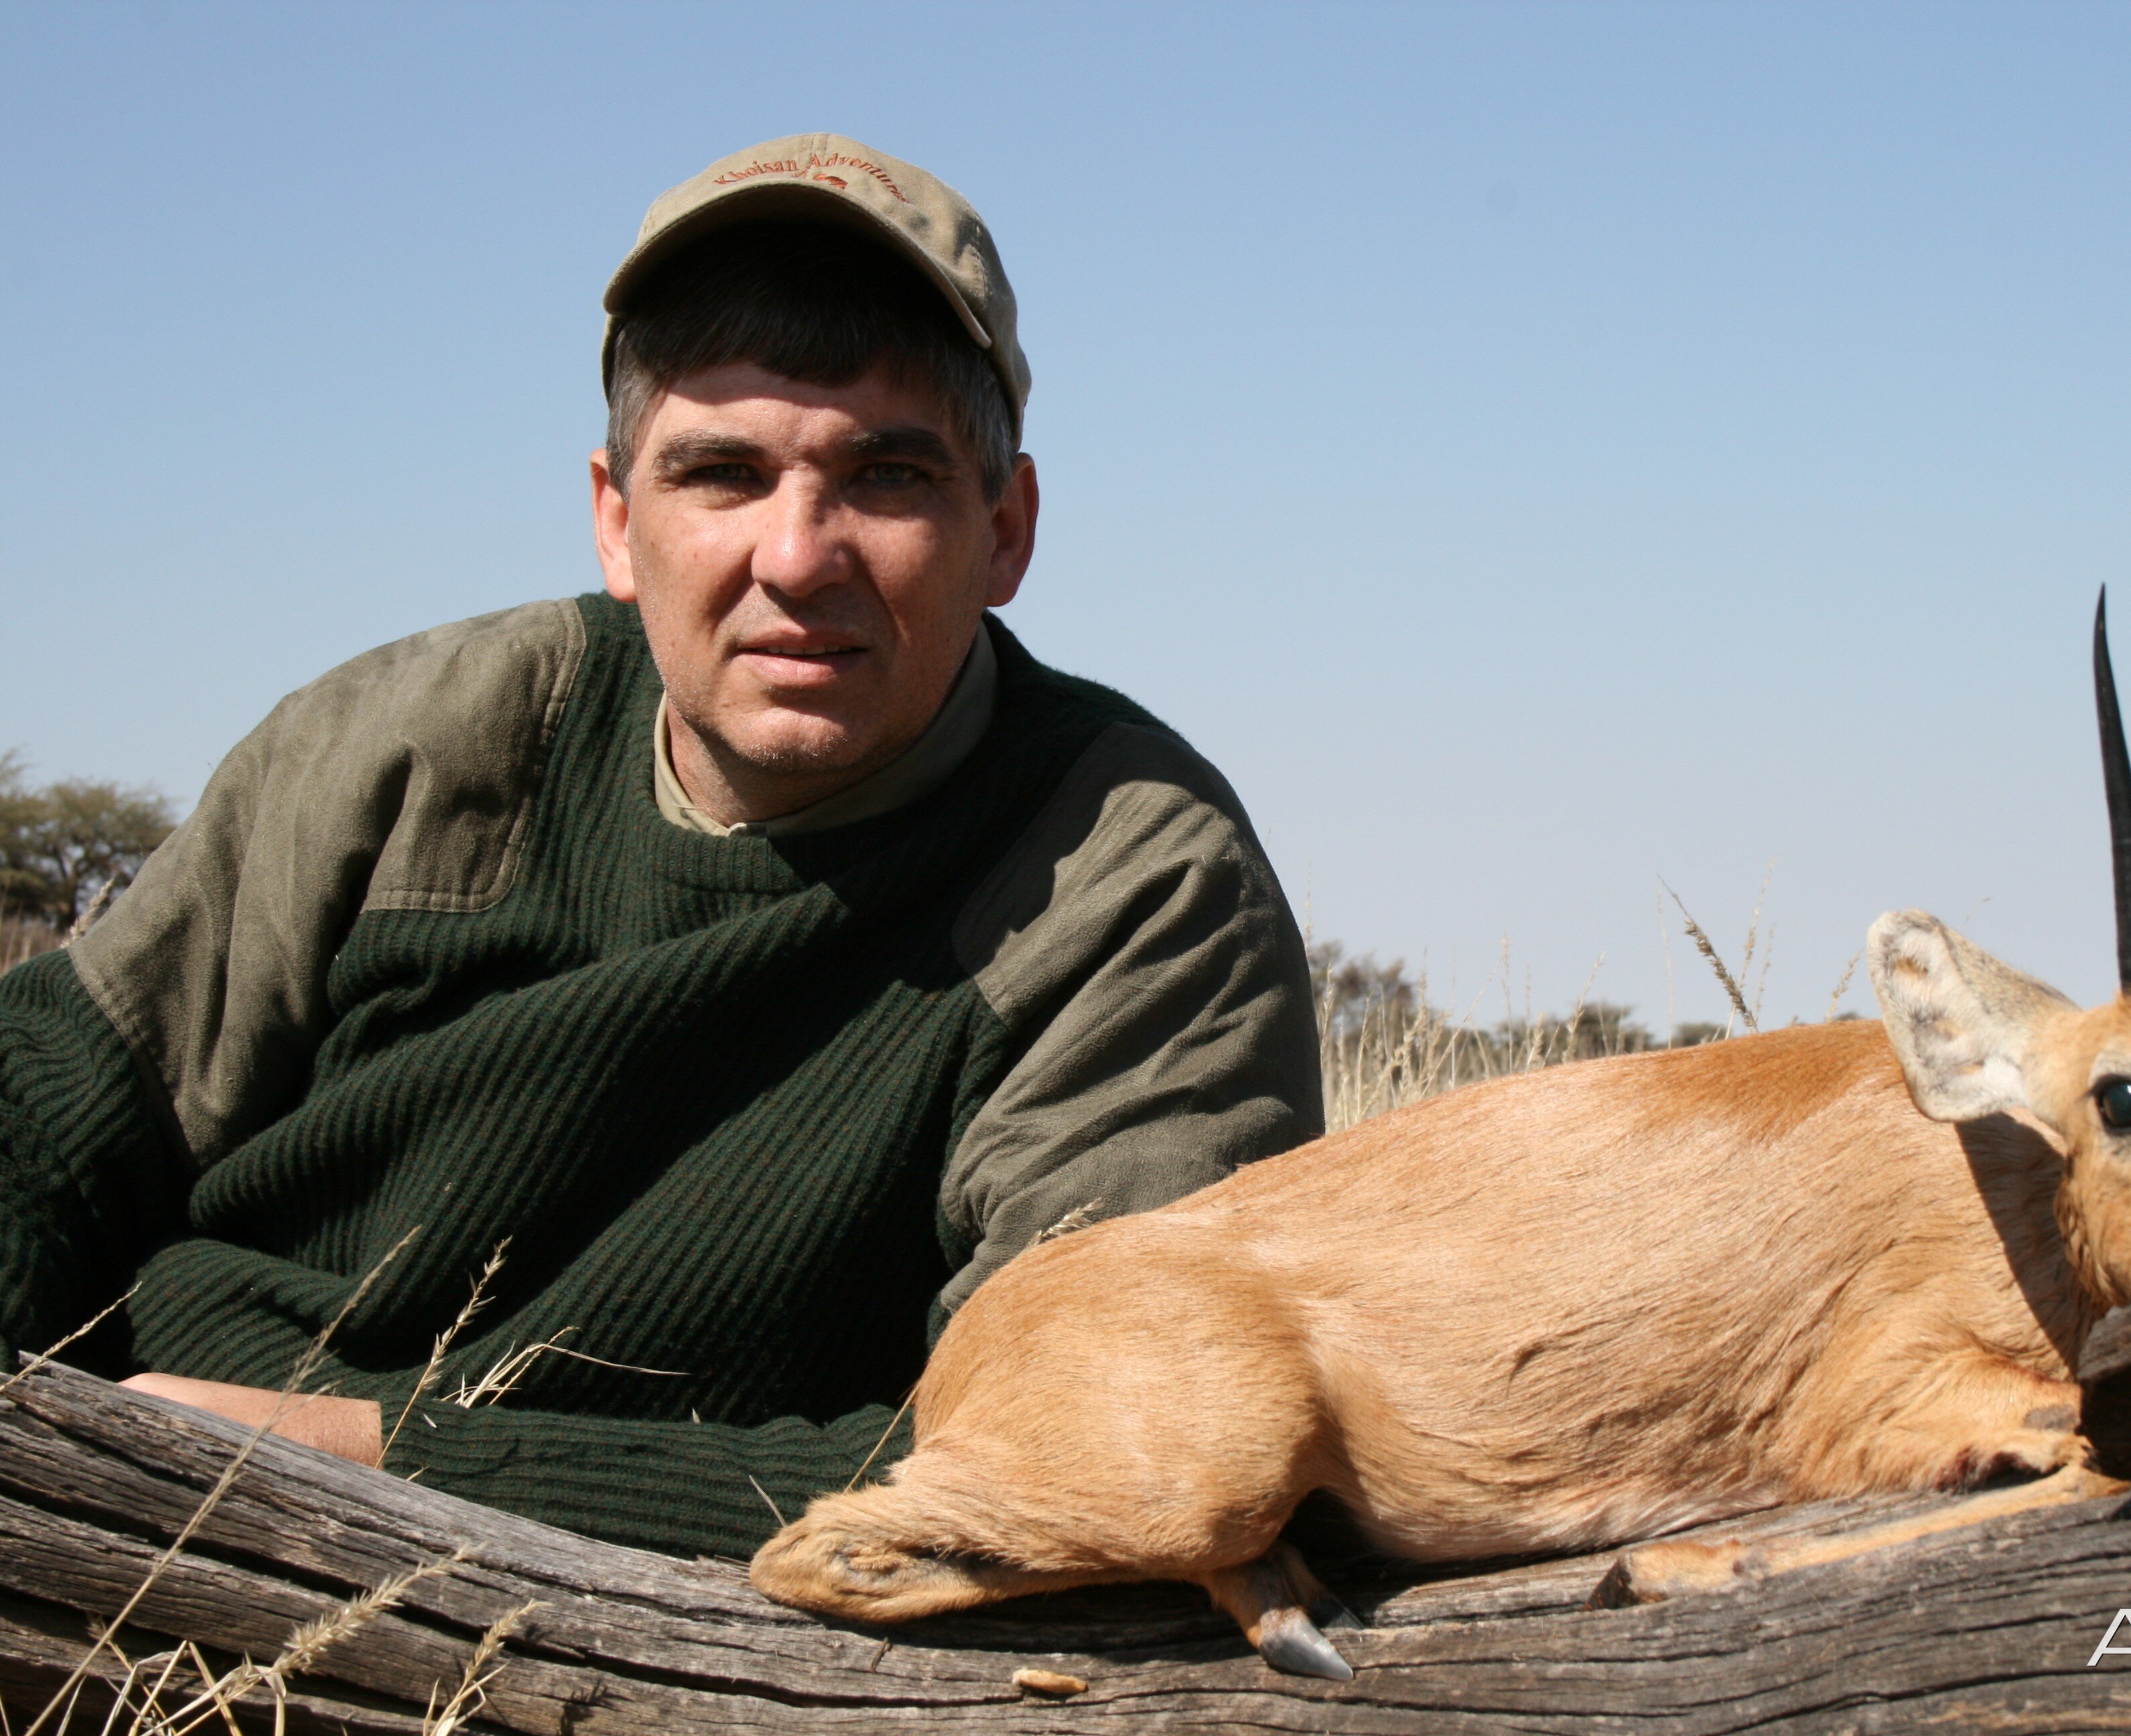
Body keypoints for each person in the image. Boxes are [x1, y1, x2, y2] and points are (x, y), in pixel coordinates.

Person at [0, 135, 1322, 1559]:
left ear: (1006, 530)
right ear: (617, 523)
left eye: (886, 475)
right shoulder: (424, 738)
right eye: (723, 474)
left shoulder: (1133, 883)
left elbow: (1072, 1456)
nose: (799, 554)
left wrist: (367, 1469)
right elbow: (50, 1106)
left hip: (617, 1619)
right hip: (104, 1489)